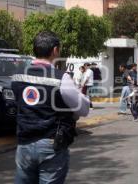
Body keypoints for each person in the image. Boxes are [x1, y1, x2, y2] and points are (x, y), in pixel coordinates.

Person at [11, 31, 90, 183]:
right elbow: (83, 109)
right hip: (50, 144)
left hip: (24, 143)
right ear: (55, 50)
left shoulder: (17, 75)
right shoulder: (61, 78)